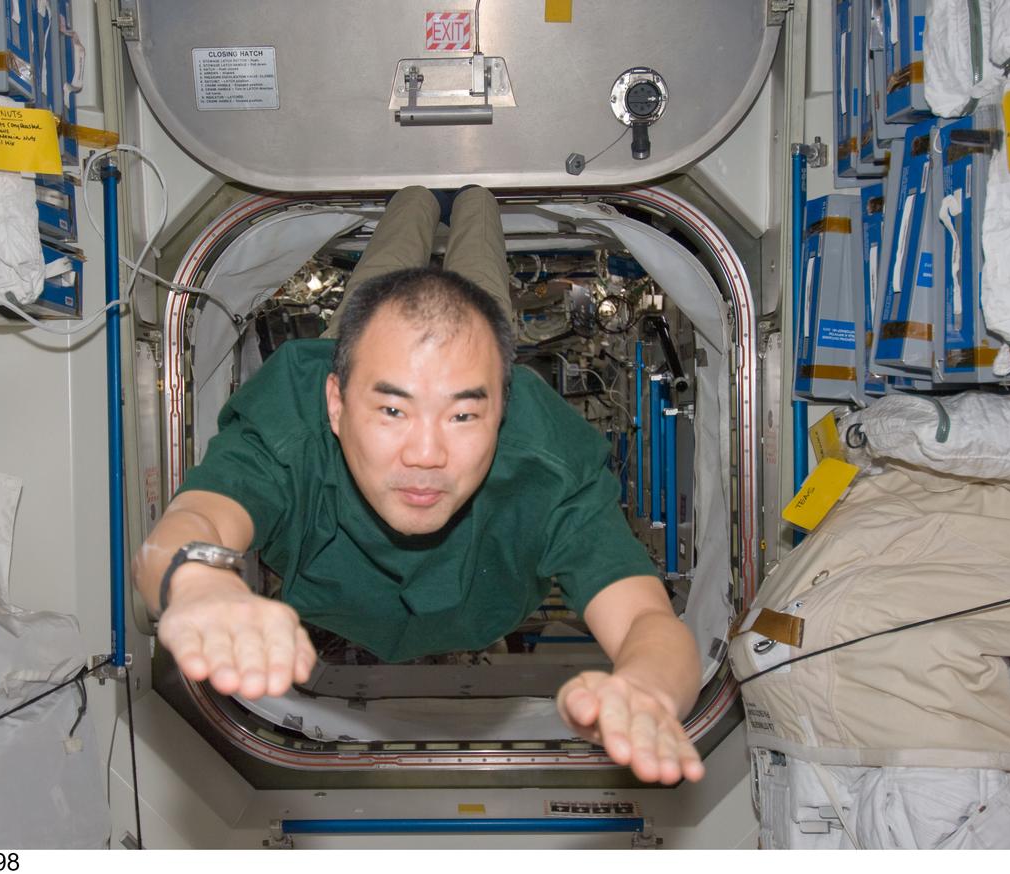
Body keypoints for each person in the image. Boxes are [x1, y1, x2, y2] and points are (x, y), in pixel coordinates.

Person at [133, 186, 705, 785]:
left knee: (478, 299)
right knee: (380, 292)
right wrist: (197, 582)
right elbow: (190, 526)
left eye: (463, 416)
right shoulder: (293, 430)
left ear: (502, 409)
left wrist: (647, 688)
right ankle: (415, 198)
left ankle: (474, 196)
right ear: (336, 405)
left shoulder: (548, 466)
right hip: (350, 365)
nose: (426, 455)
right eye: (392, 412)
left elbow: (647, 621)